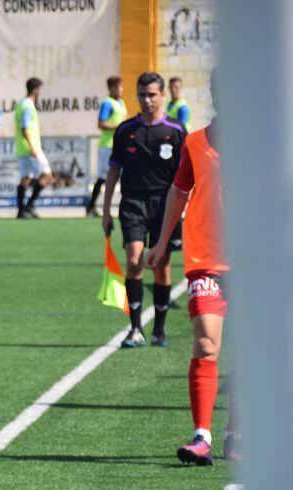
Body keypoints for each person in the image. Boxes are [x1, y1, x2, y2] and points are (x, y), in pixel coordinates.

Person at [145, 70, 235, 463]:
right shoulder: (195, 143)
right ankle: (202, 436)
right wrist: (162, 243)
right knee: (205, 343)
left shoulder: (266, 141)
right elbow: (179, 193)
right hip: (206, 260)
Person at [102, 72, 187, 348]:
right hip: (133, 204)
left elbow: (186, 175)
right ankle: (135, 328)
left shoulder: (175, 131)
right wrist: (105, 210)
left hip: (166, 206)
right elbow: (114, 170)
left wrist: (188, 209)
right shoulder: (126, 130)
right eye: (142, 95)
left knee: (161, 268)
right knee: (135, 259)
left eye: (152, 94)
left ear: (162, 95)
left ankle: (159, 330)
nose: (147, 100)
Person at [86, 76, 127, 217]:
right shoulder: (107, 104)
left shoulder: (121, 102)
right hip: (107, 146)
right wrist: (119, 127)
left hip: (119, 145)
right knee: (103, 177)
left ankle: (125, 206)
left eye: (121, 86)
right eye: (117, 87)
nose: (120, 89)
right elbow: (101, 123)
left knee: (124, 176)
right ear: (110, 88)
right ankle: (90, 207)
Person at [14, 77, 52, 219]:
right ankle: (27, 207)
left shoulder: (22, 104)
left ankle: (22, 209)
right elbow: (24, 128)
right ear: (36, 89)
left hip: (25, 147)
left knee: (26, 178)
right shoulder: (28, 106)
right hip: (30, 149)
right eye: (40, 88)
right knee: (47, 176)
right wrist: (32, 147)